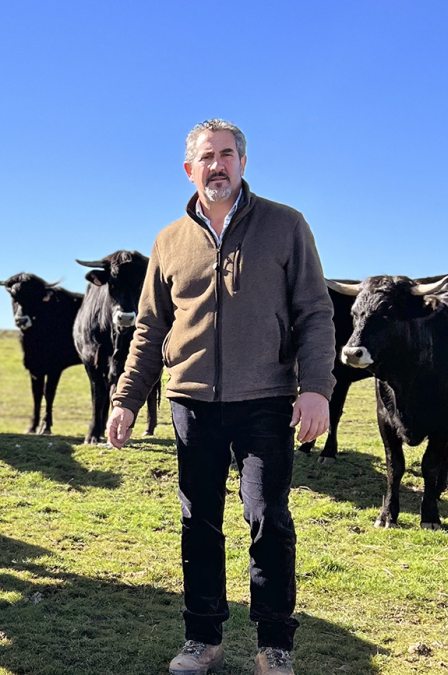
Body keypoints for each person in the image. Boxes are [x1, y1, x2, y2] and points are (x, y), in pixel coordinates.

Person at [106, 119, 335, 675]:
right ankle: (202, 639)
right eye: (206, 157)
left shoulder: (286, 226)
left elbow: (316, 313)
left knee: (267, 516)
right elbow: (150, 329)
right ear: (190, 168)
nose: (217, 165)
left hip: (266, 399)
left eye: (227, 155)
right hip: (191, 402)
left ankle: (274, 644)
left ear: (242, 163)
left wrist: (316, 390)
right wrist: (126, 399)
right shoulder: (168, 242)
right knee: (198, 520)